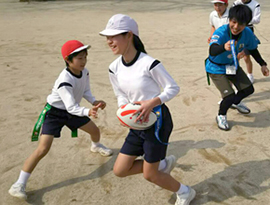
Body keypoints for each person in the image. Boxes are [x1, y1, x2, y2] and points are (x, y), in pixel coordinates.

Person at [99, 14, 195, 205]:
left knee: (149, 175)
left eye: (114, 36)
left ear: (129, 35)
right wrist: (123, 111)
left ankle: (185, 192)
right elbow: (120, 94)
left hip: (157, 122)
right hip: (137, 122)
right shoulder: (113, 68)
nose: (109, 41)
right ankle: (163, 164)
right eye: (107, 37)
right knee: (119, 170)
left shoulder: (149, 63)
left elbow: (173, 88)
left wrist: (153, 102)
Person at [8, 40, 113, 199]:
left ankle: (96, 146)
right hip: (55, 113)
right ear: (68, 60)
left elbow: (85, 90)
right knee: (43, 148)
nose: (83, 61)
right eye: (79, 58)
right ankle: (19, 184)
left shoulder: (85, 72)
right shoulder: (65, 80)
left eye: (85, 57)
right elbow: (71, 107)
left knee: (95, 131)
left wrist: (94, 102)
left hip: (72, 111)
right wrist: (87, 111)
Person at [205, 5, 269, 131]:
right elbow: (212, 50)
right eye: (233, 22)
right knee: (228, 96)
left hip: (232, 65)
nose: (236, 27)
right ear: (229, 20)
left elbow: (252, 49)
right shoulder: (221, 32)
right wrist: (223, 47)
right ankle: (221, 115)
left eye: (241, 24)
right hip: (216, 68)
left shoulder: (247, 33)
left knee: (248, 89)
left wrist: (263, 64)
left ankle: (235, 102)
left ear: (246, 24)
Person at [233, 0, 262, 83]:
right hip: (236, 29)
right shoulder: (236, 3)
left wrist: (244, 20)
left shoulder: (255, 4)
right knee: (235, 55)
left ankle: (250, 75)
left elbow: (257, 19)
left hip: (248, 28)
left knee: (246, 55)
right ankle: (235, 74)